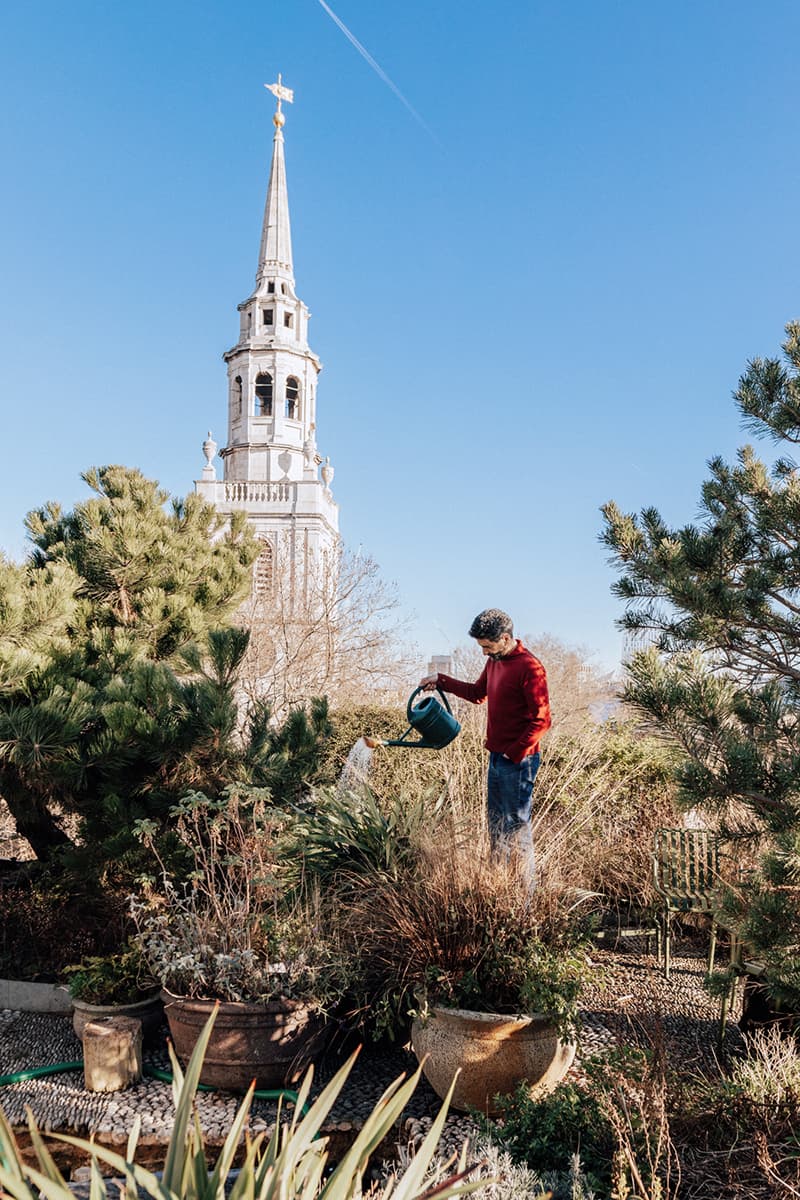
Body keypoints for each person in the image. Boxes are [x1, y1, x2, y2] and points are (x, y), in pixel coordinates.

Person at [420, 609, 551, 882]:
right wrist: (440, 680)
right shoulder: (494, 662)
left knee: (517, 828)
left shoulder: (530, 668)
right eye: (481, 647)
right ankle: (499, 887)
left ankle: (526, 896)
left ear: (505, 638)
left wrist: (514, 753)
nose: (483, 653)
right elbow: (477, 694)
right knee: (495, 827)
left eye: (487, 646)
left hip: (519, 762)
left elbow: (542, 721)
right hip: (496, 757)